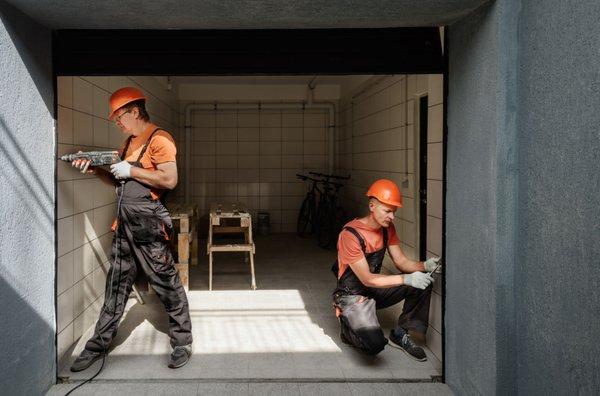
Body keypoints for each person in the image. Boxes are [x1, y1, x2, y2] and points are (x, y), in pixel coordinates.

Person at [69, 87, 193, 371]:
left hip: (149, 224)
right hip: (125, 224)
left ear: (135, 112)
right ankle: (97, 346)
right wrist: (95, 169)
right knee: (116, 286)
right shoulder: (127, 145)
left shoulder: (160, 140)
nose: (117, 123)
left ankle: (182, 341)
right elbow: (118, 181)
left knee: (166, 283)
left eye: (119, 117)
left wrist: (132, 170)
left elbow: (170, 179)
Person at [332, 179, 441, 360]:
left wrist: (425, 265)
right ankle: (347, 324)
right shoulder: (349, 235)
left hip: (374, 290)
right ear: (372, 205)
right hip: (352, 294)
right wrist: (406, 279)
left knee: (423, 280)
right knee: (374, 345)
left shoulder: (387, 228)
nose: (392, 217)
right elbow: (367, 279)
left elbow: (401, 262)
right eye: (388, 211)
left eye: (394, 212)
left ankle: (400, 333)